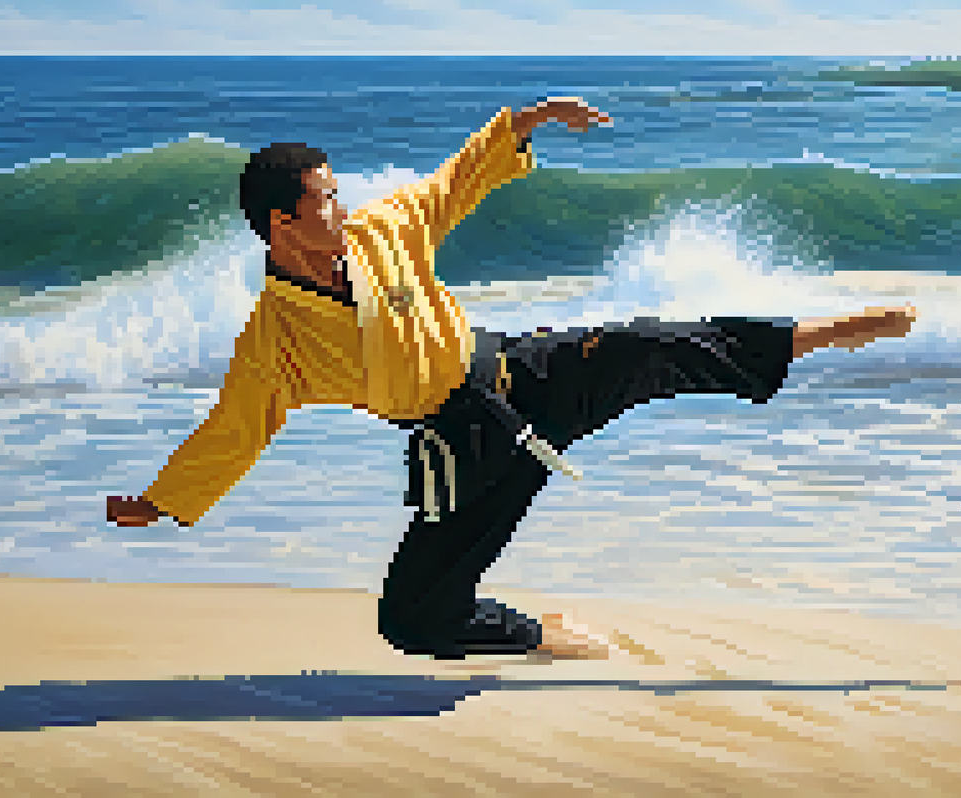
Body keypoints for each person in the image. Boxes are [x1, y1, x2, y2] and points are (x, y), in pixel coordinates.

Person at [107, 97, 917, 661]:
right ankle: (540, 635)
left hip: (519, 374)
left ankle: (819, 334)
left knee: (647, 345)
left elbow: (455, 181)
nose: (342, 207)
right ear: (282, 223)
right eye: (325, 198)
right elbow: (236, 426)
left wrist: (523, 124)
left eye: (338, 192)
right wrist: (163, 501)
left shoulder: (384, 232)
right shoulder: (273, 338)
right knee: (412, 620)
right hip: (465, 450)